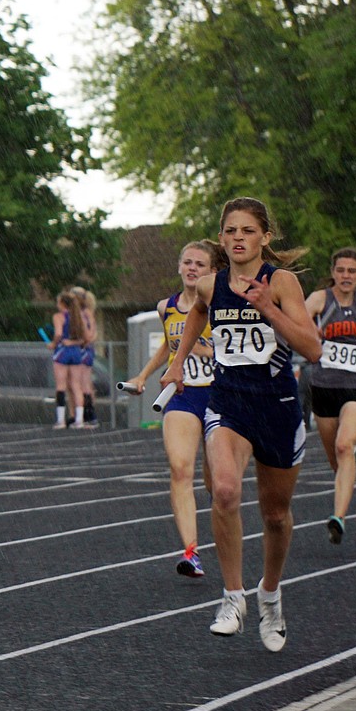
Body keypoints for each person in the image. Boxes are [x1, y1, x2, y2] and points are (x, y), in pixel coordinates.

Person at [162, 197, 321, 652]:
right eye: (230, 231)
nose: (237, 238)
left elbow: (312, 349)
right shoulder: (211, 286)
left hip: (277, 406)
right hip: (228, 404)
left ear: (265, 237)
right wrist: (176, 363)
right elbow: (196, 312)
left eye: (247, 231)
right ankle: (233, 596)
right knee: (226, 491)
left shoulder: (282, 281)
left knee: (274, 516)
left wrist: (270, 309)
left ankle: (269, 593)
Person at [125, 240, 224, 578]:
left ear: (212, 271)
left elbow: (225, 350)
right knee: (180, 468)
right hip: (181, 395)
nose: (193, 268)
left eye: (200, 264)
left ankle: (224, 519)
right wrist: (143, 375)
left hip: (218, 395)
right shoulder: (166, 307)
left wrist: (196, 347)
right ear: (179, 267)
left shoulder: (220, 303)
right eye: (188, 262)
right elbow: (170, 343)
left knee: (217, 480)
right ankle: (191, 551)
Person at [304, 247, 356, 545]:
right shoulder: (319, 299)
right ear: (333, 272)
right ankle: (347, 463)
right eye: (340, 270)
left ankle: (338, 517)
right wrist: (309, 335)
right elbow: (298, 322)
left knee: (344, 445)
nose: (346, 276)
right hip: (325, 385)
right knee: (336, 460)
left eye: (351, 271)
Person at [48, 290, 87, 429]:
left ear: (62, 304)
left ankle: (60, 420)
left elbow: (58, 333)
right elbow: (84, 338)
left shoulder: (59, 316)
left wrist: (53, 344)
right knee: (76, 386)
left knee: (61, 386)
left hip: (63, 352)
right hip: (76, 352)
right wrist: (73, 343)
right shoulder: (78, 317)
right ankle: (79, 419)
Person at [70, 285, 99, 428]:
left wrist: (83, 342)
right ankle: (89, 416)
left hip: (84, 350)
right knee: (85, 383)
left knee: (82, 384)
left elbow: (89, 334)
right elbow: (94, 333)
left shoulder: (82, 313)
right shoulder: (87, 312)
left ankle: (87, 416)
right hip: (88, 349)